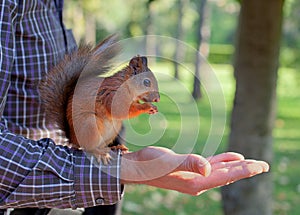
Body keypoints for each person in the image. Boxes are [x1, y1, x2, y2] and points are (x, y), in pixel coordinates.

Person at [0, 1, 269, 215]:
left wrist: (138, 117)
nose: (151, 93)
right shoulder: (113, 90)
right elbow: (114, 110)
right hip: (36, 172)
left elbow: (120, 115)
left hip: (60, 182)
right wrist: (126, 164)